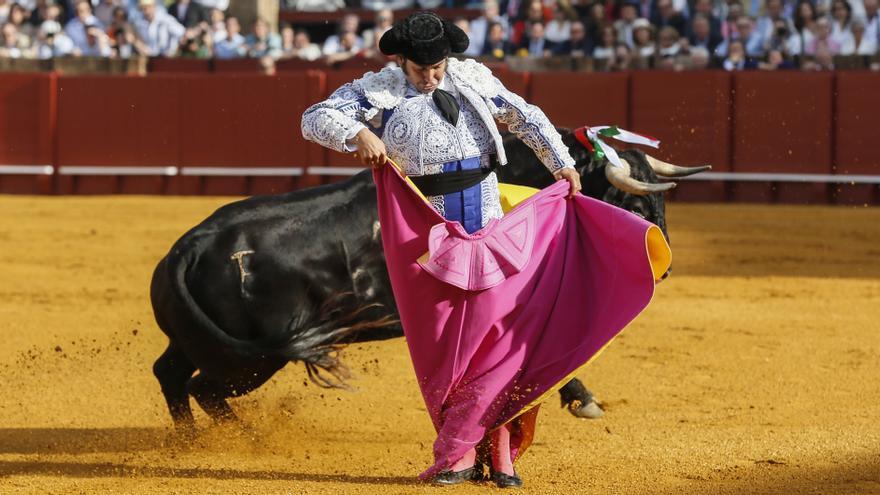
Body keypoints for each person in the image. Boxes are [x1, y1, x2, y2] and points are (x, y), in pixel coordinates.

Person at [301, 12, 591, 488]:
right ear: (401, 61)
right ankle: (458, 453)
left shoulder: (471, 76)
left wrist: (562, 164)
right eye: (421, 69)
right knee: (446, 349)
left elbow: (525, 116)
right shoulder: (381, 90)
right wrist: (358, 132)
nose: (432, 76)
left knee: (497, 341)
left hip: (492, 225)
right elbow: (314, 118)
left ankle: (499, 455)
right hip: (426, 236)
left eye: (438, 66)